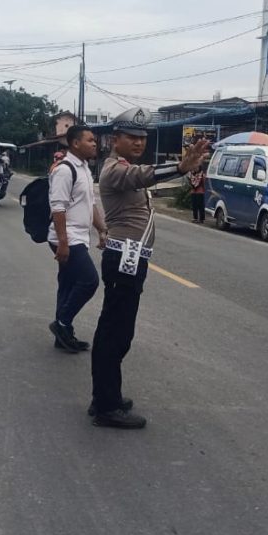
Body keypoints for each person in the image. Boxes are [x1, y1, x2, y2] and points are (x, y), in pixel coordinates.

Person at [89, 107, 210, 429]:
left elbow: (141, 174)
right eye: (132, 137)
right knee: (116, 332)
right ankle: (106, 405)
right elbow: (141, 176)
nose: (139, 142)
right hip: (124, 256)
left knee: (114, 329)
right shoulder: (114, 169)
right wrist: (182, 167)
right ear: (116, 139)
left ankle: (103, 395)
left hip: (130, 257)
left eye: (143, 137)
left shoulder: (125, 166)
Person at [47, 125, 106, 353]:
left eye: (95, 141)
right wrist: (62, 243)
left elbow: (89, 204)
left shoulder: (84, 169)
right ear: (75, 143)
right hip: (67, 237)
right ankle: (61, 324)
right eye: (90, 140)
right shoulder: (64, 170)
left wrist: (101, 229)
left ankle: (63, 334)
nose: (95, 144)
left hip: (78, 236)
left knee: (69, 283)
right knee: (89, 281)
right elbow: (58, 207)